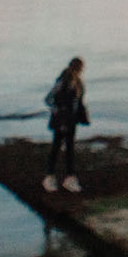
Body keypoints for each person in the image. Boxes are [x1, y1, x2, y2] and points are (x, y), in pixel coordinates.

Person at [42, 57, 88, 194]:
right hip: (61, 120)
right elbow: (48, 99)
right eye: (80, 68)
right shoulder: (63, 81)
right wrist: (57, 111)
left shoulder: (78, 83)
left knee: (69, 149)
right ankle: (49, 177)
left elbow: (77, 102)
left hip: (71, 121)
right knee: (56, 147)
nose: (80, 71)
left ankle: (69, 178)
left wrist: (78, 114)